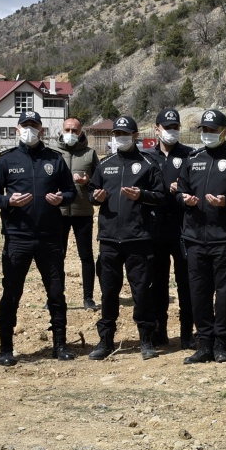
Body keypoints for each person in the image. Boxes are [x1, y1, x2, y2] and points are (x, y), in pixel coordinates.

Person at [0, 110, 76, 365]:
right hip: (18, 237)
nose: (30, 130)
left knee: (56, 292)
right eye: (25, 126)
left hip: (50, 237)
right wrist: (8, 201)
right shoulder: (6, 160)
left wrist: (61, 199)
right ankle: (6, 349)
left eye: (34, 126)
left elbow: (70, 191)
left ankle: (60, 345)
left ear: (41, 130)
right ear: (17, 130)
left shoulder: (55, 159)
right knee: (11, 293)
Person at [176, 109, 226, 363]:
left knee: (224, 294)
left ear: (224, 132)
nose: (207, 134)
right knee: (198, 293)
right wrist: (184, 199)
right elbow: (179, 191)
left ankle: (222, 342)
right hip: (195, 238)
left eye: (212, 130)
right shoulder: (193, 158)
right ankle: (204, 344)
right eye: (204, 130)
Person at [88, 116, 168, 360]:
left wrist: (141, 195)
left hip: (138, 239)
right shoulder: (105, 164)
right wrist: (96, 197)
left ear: (135, 135)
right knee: (108, 291)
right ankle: (105, 340)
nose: (120, 137)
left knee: (141, 292)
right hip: (109, 239)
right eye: (117, 133)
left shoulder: (148, 163)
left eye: (125, 133)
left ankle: (146, 339)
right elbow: (92, 192)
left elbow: (161, 196)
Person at [145, 108, 194, 348]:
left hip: (183, 226)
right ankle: (159, 331)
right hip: (155, 227)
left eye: (175, 127)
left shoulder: (190, 155)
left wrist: (183, 187)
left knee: (186, 282)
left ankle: (187, 334)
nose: (172, 131)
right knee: (158, 282)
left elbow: (199, 185)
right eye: (167, 127)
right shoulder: (147, 157)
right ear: (157, 129)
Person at [57, 116, 99, 311]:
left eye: (74, 130)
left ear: (81, 132)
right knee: (57, 256)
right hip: (58, 213)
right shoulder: (53, 153)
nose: (71, 134)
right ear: (62, 131)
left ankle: (88, 298)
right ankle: (55, 296)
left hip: (83, 212)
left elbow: (99, 181)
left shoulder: (90, 154)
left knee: (86, 255)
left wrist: (88, 181)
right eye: (67, 130)